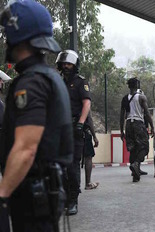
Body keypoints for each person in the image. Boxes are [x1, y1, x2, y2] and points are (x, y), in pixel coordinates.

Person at [0, 1, 73, 231]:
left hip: (33, 194)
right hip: (45, 191)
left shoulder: (31, 82)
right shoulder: (49, 77)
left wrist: (2, 195)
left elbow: (26, 148)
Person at [56, 50, 91, 215]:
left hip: (75, 127)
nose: (66, 66)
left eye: (69, 63)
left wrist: (81, 123)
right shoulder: (58, 82)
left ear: (75, 65)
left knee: (72, 166)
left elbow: (86, 104)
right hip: (59, 129)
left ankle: (73, 200)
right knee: (59, 166)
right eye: (64, 64)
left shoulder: (80, 82)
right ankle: (63, 197)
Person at [120, 78, 154, 182]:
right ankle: (136, 164)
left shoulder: (125, 98)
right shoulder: (141, 97)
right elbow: (147, 113)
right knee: (144, 147)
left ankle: (135, 174)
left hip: (128, 124)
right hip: (138, 123)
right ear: (137, 85)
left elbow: (121, 116)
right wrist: (152, 126)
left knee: (132, 148)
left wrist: (122, 131)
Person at [84, 114, 99, 190]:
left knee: (74, 159)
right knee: (88, 157)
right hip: (83, 132)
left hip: (70, 130)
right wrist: (94, 137)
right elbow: (89, 119)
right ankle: (88, 183)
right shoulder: (85, 102)